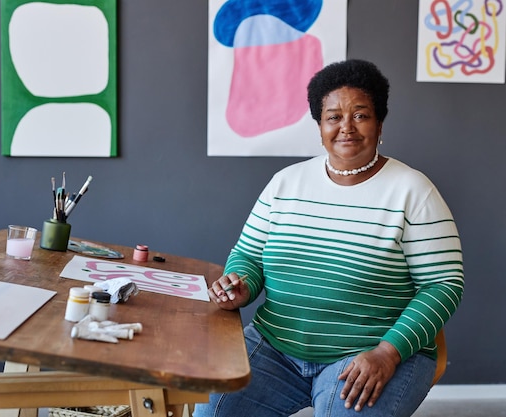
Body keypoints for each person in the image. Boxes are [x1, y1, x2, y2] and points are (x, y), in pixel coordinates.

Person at [194, 59, 464, 417]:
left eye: (361, 115)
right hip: (276, 349)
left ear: (380, 123)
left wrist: (388, 352)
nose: (346, 127)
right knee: (210, 412)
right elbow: (249, 255)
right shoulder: (286, 183)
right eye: (334, 117)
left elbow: (444, 284)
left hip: (370, 353)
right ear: (320, 126)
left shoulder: (412, 191)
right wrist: (242, 284)